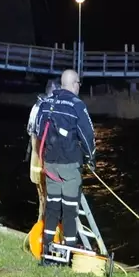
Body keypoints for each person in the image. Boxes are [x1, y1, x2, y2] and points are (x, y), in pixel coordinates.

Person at [35, 69, 96, 258]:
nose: (79, 87)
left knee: (52, 206)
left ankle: (47, 248)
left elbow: (38, 131)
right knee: (70, 210)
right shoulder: (76, 105)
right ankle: (69, 252)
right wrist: (90, 157)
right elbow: (88, 137)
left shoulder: (46, 103)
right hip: (69, 165)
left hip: (50, 164)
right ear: (73, 83)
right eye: (79, 83)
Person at [26, 78, 59, 222]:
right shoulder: (50, 109)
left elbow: (29, 130)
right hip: (46, 163)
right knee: (49, 200)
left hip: (35, 162)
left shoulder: (36, 106)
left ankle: (41, 226)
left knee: (42, 198)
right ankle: (47, 233)